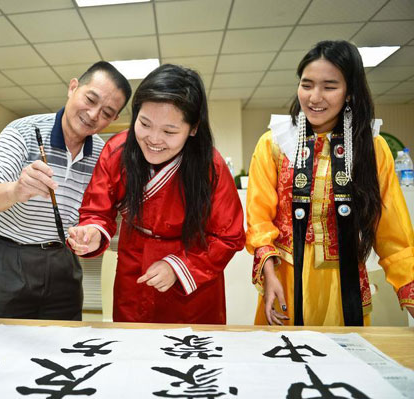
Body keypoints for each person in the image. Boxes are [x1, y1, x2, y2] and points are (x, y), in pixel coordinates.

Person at [246, 40, 414, 326]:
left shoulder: (371, 148)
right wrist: (269, 274)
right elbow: (259, 221)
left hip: (343, 283)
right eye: (307, 84)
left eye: (330, 86)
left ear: (350, 92)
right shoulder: (273, 143)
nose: (315, 97)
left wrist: (408, 286)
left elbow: (393, 232)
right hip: (285, 278)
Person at [68, 64, 245, 324]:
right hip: (134, 269)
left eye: (169, 131)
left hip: (191, 276)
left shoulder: (211, 167)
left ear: (193, 128)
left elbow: (229, 236)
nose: (153, 139)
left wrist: (178, 266)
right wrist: (91, 231)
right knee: (133, 352)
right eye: (144, 123)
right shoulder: (117, 151)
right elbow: (97, 209)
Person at [0, 61, 131, 321]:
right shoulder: (22, 131)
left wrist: (88, 232)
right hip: (10, 259)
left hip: (63, 262)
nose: (93, 115)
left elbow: (101, 214)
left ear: (114, 119)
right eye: (90, 99)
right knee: (5, 349)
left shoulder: (104, 154)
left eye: (106, 113)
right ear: (73, 88)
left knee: (63, 344)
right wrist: (16, 190)